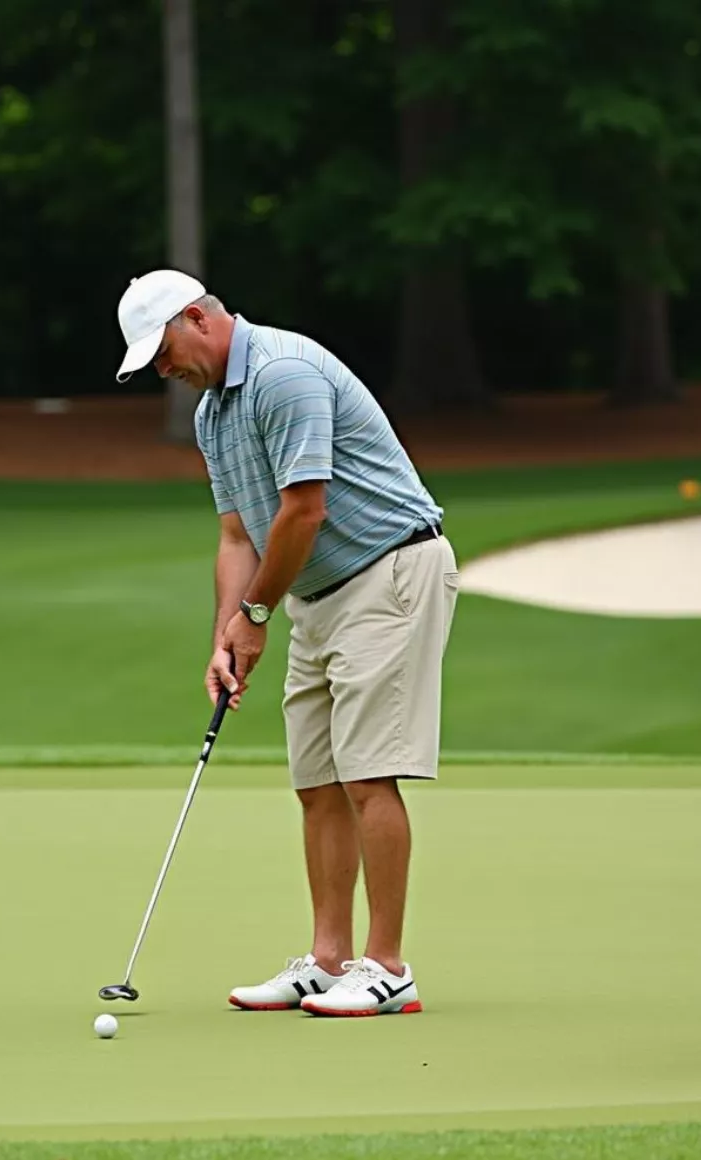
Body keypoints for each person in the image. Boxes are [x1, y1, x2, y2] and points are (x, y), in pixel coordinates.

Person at [115, 268, 459, 1017]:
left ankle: (389, 967)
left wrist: (258, 613)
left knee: (370, 774)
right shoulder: (213, 415)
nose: (163, 371)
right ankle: (329, 961)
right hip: (313, 594)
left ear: (197, 318)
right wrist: (227, 637)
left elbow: (304, 511)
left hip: (388, 570)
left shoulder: (285, 374)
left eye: (163, 351)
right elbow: (237, 533)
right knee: (317, 781)